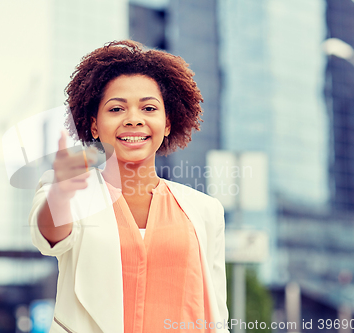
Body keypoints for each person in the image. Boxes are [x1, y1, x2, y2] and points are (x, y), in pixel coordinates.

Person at [28, 40, 229, 333]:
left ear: (168, 122)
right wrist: (61, 192)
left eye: (148, 108)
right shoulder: (69, 190)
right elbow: (49, 236)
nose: (133, 120)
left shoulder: (205, 211)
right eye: (116, 109)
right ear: (94, 125)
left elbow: (217, 313)